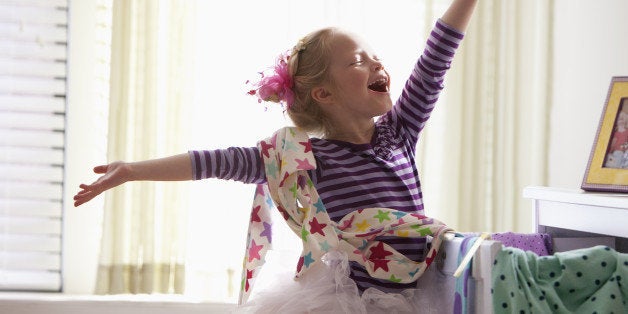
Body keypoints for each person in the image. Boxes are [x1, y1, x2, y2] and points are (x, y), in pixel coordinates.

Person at [74, 0, 478, 312]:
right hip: (353, 301)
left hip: (420, 293)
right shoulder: (300, 158)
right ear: (324, 94)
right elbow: (212, 162)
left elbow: (437, 54)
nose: (376, 63)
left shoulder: (399, 133)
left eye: (375, 56)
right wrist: (130, 170)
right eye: (358, 61)